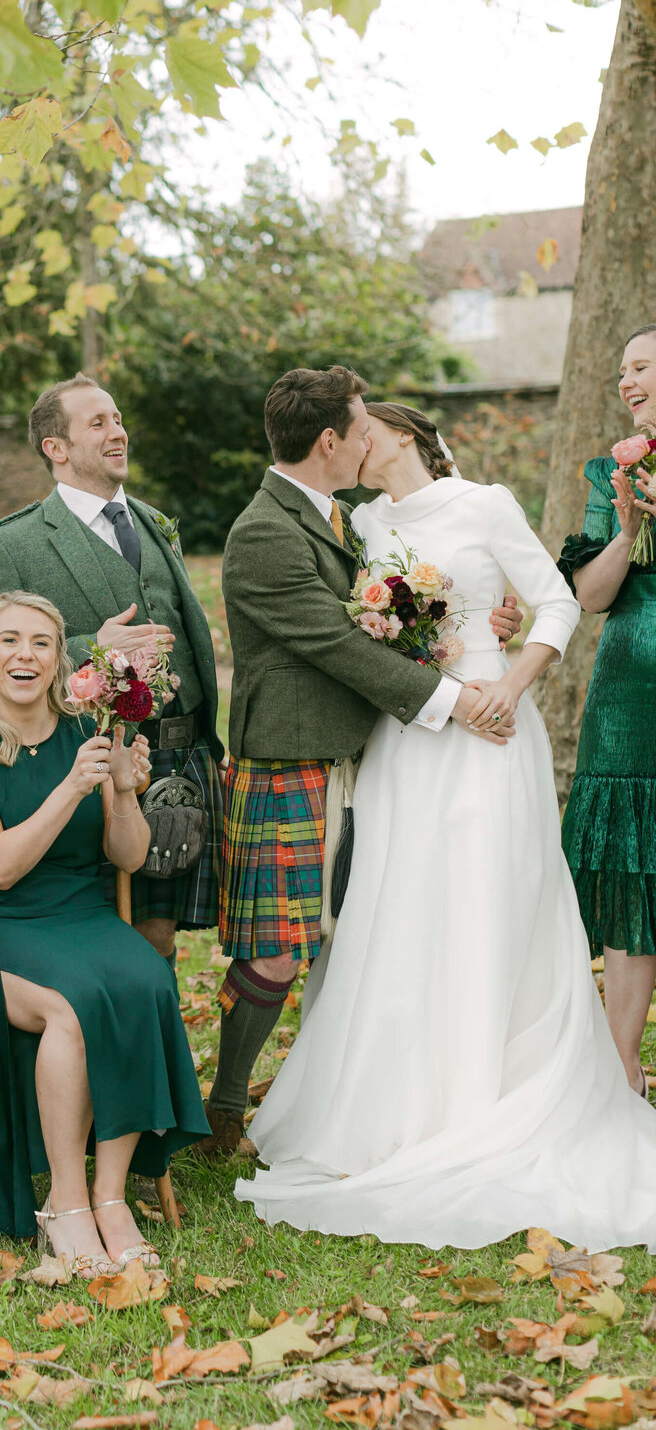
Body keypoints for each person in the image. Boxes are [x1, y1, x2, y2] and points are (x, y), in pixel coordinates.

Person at [234, 401, 656, 1248]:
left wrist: (510, 680)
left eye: (371, 428)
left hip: (491, 731)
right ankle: (396, 1104)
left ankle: (500, 1086)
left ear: (408, 440)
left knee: (491, 900)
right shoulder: (355, 526)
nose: (358, 441)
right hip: (407, 734)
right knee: (398, 905)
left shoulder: (485, 503)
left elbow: (557, 605)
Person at [204, 368, 522, 1160]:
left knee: (350, 936)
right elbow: (340, 644)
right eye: (359, 426)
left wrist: (482, 619)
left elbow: (392, 614)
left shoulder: (343, 519)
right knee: (275, 948)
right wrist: (460, 700)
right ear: (329, 443)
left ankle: (338, 1092)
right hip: (290, 758)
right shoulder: (264, 533)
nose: (369, 438)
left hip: (361, 753)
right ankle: (222, 1109)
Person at [0, 591, 208, 1265]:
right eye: (9, 641)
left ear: (60, 659)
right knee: (73, 1005)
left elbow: (130, 857)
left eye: (41, 643)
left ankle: (109, 1195)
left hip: (82, 912)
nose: (24, 655)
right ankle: (64, 1199)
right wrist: (70, 789)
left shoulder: (88, 733)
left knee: (145, 979)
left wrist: (120, 790)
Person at [0, 376, 224, 981]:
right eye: (98, 423)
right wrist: (89, 648)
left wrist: (210, 745)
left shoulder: (156, 523)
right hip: (96, 762)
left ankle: (155, 1061)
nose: (118, 432)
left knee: (163, 934)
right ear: (56, 447)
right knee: (120, 933)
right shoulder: (15, 543)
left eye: (118, 417)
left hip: (183, 757)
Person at [560, 322, 656, 1095]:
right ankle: (623, 1067)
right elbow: (591, 598)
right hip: (626, 708)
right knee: (630, 884)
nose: (628, 381)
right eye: (623, 370)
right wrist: (628, 528)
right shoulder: (609, 474)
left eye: (643, 367)